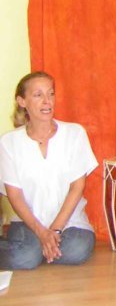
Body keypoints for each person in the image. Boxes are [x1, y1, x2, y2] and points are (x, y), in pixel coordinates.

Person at [0, 71, 98, 269]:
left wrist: (55, 230)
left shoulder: (74, 133)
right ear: (22, 101)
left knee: (76, 249)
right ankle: (41, 249)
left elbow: (77, 187)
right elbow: (15, 196)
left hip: (69, 223)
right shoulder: (9, 142)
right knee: (24, 258)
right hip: (28, 223)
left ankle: (42, 249)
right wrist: (41, 232)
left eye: (51, 93)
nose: (47, 101)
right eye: (38, 95)